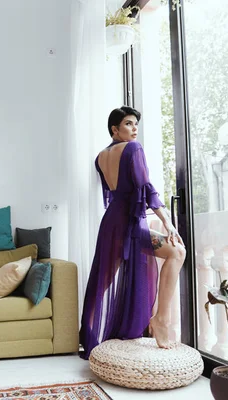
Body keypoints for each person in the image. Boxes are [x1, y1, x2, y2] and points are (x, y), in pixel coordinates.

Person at [79, 106, 186, 360]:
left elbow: (112, 192)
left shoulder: (100, 157)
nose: (134, 128)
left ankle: (87, 335)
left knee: (101, 282)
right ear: (114, 129)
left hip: (111, 223)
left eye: (136, 124)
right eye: (128, 124)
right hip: (129, 223)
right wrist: (168, 223)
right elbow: (145, 187)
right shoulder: (133, 149)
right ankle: (160, 319)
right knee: (178, 252)